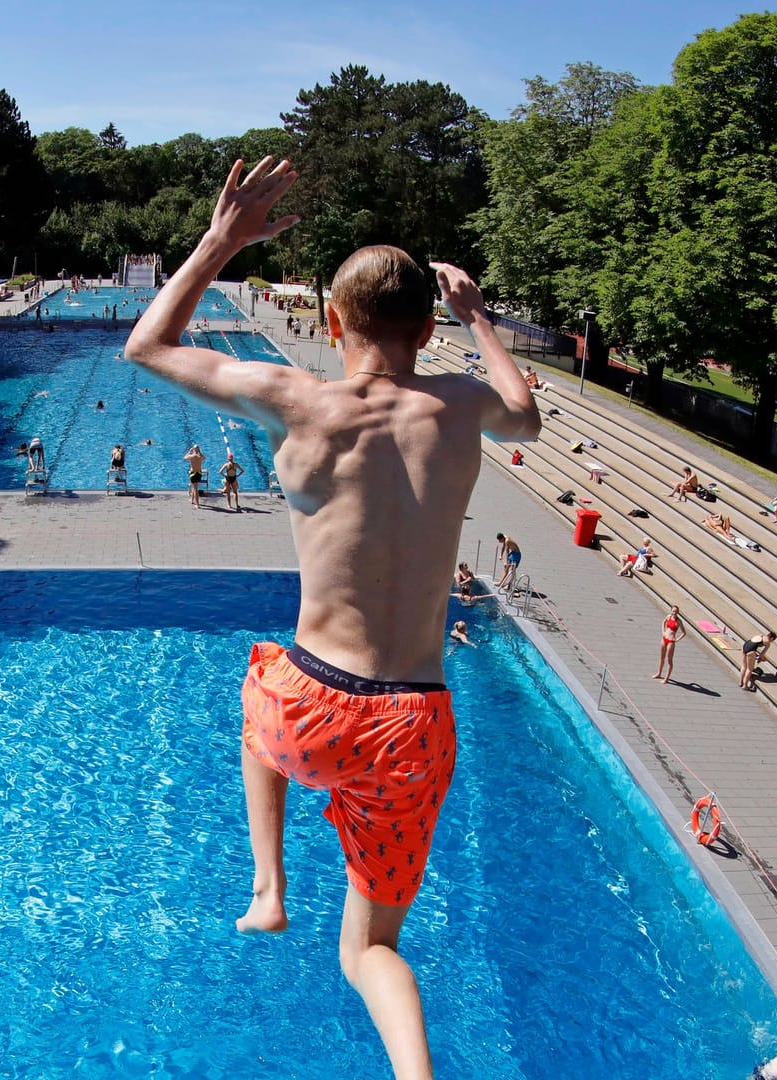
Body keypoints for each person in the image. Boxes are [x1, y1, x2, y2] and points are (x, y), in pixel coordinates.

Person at [123, 156, 539, 1079]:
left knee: (261, 686)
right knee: (370, 953)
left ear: (331, 323)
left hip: (309, 708)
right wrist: (480, 318)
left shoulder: (294, 397)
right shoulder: (462, 405)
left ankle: (268, 887)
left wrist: (223, 240)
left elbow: (146, 347)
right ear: (427, 329)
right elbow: (527, 415)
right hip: (413, 726)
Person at [654, 603, 686, 683]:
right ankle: (659, 673)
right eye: (673, 611)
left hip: (671, 641)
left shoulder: (679, 621)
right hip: (664, 638)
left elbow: (684, 632)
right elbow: (663, 622)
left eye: (675, 611)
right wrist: (663, 631)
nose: (674, 613)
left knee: (669, 660)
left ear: (678, 612)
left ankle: (666, 678)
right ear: (671, 611)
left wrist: (677, 639)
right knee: (662, 657)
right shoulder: (668, 617)